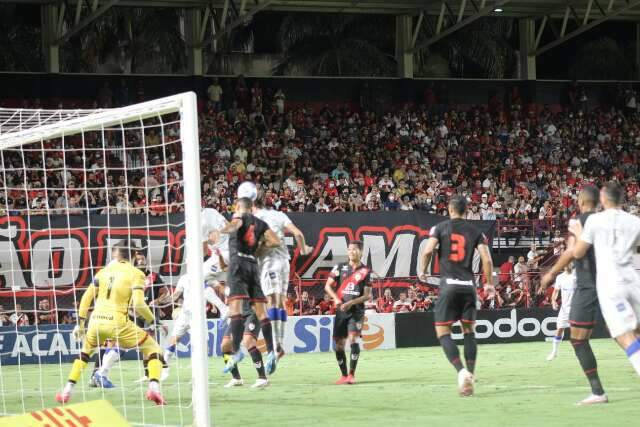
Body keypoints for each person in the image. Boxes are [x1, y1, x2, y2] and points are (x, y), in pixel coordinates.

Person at [55, 240, 167, 405]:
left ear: (116, 254)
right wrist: (154, 321)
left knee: (85, 353)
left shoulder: (102, 272)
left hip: (95, 321)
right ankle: (154, 388)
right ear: (134, 255)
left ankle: (67, 390)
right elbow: (138, 304)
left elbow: (86, 298)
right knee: (153, 349)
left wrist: (80, 323)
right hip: (118, 322)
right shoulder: (136, 273)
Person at [417, 195, 494, 396]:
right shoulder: (476, 232)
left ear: (450, 210)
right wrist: (489, 285)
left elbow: (427, 251)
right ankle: (470, 374)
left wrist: (423, 270)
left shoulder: (439, 228)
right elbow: (486, 259)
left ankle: (461, 372)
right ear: (466, 211)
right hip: (469, 287)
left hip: (448, 286)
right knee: (469, 332)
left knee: (443, 333)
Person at [540, 185, 607, 405]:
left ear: (580, 201)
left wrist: (550, 273)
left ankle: (597, 391)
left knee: (578, 339)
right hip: (613, 284)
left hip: (588, 286)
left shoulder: (578, 222)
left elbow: (572, 252)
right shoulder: (608, 220)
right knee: (626, 336)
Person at [569, 182, 640, 388]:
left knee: (623, 334)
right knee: (636, 332)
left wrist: (579, 233)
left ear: (603, 199)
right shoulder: (635, 221)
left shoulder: (596, 221)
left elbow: (578, 253)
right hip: (633, 280)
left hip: (611, 283)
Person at [220, 197, 281, 376]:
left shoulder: (239, 217)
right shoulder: (260, 223)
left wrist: (224, 230)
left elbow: (235, 225)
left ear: (239, 207)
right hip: (253, 265)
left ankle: (237, 351)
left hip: (238, 264)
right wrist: (259, 247)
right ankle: (271, 352)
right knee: (262, 313)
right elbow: (275, 241)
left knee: (235, 310)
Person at [253, 191, 313, 359]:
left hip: (268, 262)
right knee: (280, 302)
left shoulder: (253, 219)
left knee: (272, 302)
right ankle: (280, 342)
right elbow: (298, 234)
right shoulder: (279, 215)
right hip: (284, 262)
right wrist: (303, 249)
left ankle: (274, 346)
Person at [324, 240, 372, 385]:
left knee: (352, 339)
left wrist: (351, 302)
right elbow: (327, 286)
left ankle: (352, 374)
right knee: (338, 345)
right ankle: (344, 375)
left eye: (355, 249)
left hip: (356, 312)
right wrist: (336, 299)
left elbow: (366, 295)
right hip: (341, 312)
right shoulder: (339, 267)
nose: (352, 252)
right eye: (349, 249)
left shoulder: (366, 271)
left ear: (361, 252)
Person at [163, 275, 228, 374]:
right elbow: (176, 294)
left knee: (204, 346)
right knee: (174, 339)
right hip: (185, 314)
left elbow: (217, 285)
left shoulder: (204, 274)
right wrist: (165, 300)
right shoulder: (184, 278)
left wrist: (224, 291)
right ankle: (164, 367)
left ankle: (201, 373)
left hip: (198, 316)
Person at [220, 298, 269, 389]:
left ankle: (262, 378)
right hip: (237, 315)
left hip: (252, 312)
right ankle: (236, 378)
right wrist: (226, 314)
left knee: (248, 341)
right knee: (225, 345)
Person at [546, 265, 576, 361]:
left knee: (576, 333)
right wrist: (553, 301)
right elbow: (555, 291)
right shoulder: (560, 277)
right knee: (559, 330)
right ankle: (554, 352)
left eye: (570, 263)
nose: (568, 265)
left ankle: (579, 354)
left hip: (576, 309)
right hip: (564, 309)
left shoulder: (578, 275)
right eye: (567, 263)